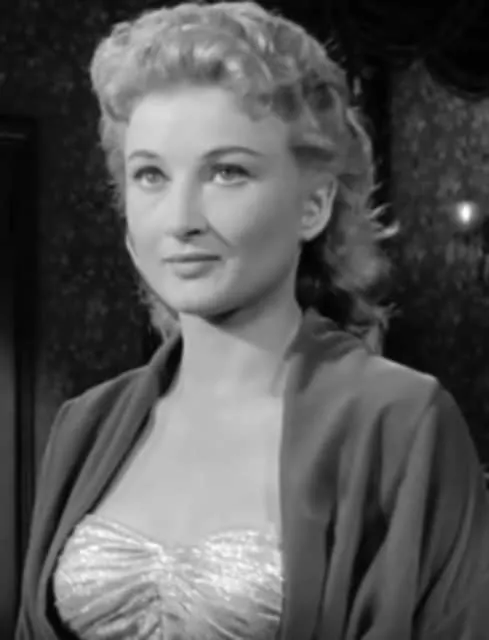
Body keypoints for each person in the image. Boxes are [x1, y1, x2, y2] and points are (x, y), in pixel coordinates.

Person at [15, 2, 489, 639]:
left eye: (226, 172)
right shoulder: (85, 424)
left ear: (314, 205)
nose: (181, 218)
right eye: (150, 175)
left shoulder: (401, 421)